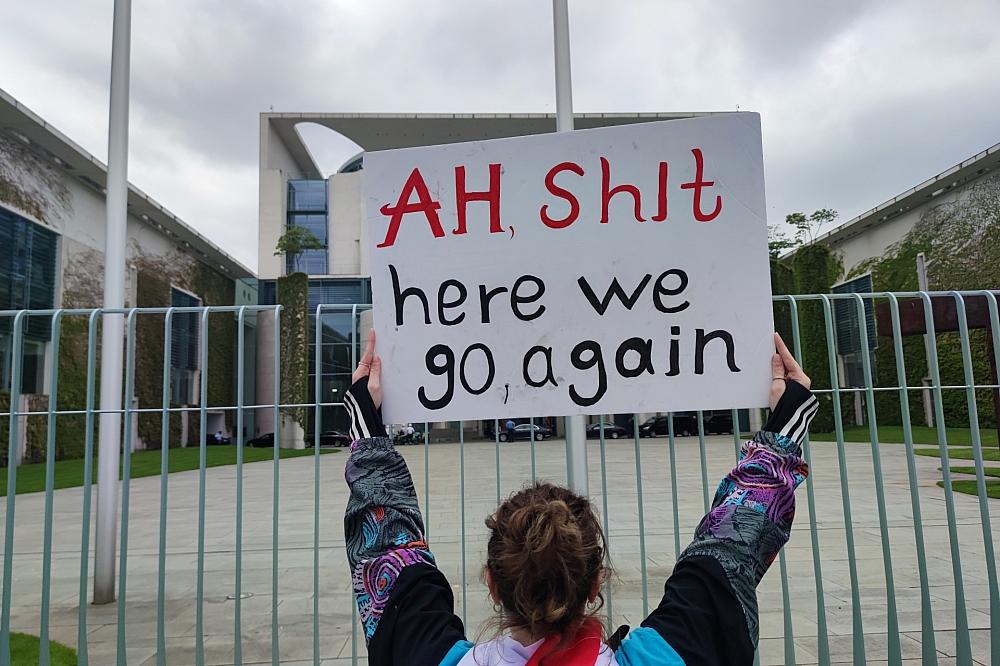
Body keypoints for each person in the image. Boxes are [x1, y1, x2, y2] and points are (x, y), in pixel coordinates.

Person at [342, 331, 816, 665]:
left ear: (491, 584)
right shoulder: (674, 655)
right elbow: (731, 549)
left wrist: (366, 426)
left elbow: (386, 549)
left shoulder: (423, 654)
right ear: (597, 585)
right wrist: (787, 423)